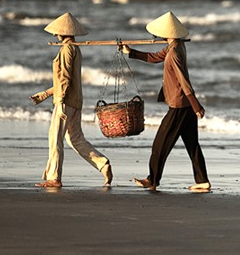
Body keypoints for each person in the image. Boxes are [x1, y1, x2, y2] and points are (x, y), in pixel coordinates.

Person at [119, 12, 210, 192]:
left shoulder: (174, 51)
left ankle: (152, 179)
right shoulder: (176, 46)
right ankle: (202, 181)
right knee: (192, 144)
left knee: (160, 144)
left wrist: (196, 105)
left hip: (179, 105)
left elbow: (183, 81)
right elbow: (154, 57)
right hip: (183, 105)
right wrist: (131, 52)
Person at [30, 12, 113, 188]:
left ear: (62, 32)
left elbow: (65, 79)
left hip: (66, 101)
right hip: (76, 101)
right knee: (75, 138)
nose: (55, 35)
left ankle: (54, 178)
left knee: (55, 137)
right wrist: (45, 94)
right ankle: (102, 164)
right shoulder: (75, 48)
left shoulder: (67, 49)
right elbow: (64, 80)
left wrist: (60, 100)